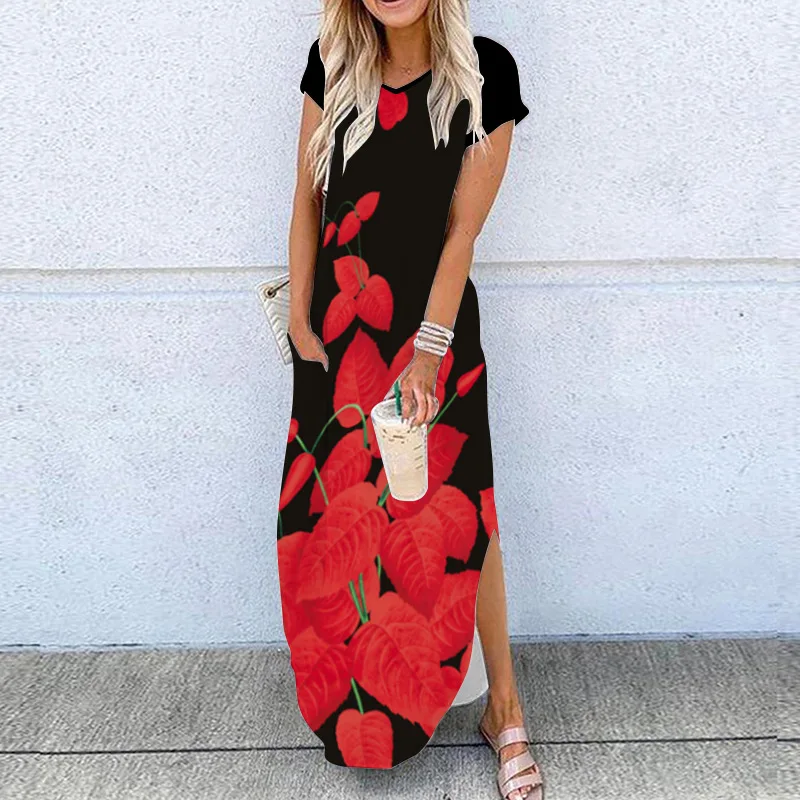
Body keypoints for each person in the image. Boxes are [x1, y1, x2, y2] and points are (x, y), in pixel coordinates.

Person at [276, 2, 542, 798]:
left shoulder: (486, 74)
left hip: (434, 336)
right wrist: (299, 316)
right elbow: (308, 197)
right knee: (340, 520)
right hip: (338, 343)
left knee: (464, 515)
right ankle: (362, 707)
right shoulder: (332, 64)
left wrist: (428, 353)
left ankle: (504, 708)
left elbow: (462, 231)